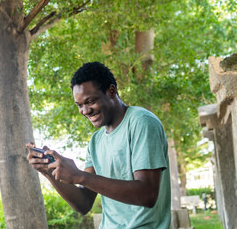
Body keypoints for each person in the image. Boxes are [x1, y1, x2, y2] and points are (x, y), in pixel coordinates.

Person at [27, 62, 171, 228]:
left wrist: (80, 176)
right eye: (80, 105)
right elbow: (84, 203)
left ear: (111, 91)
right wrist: (50, 172)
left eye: (90, 101)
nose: (85, 111)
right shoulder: (96, 141)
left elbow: (147, 194)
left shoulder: (141, 122)